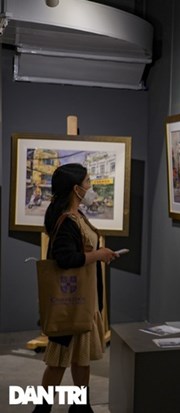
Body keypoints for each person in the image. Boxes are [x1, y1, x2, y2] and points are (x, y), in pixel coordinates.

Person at [33, 164, 118, 413]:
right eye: (88, 181)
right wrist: (98, 255)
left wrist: (97, 254)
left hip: (82, 299)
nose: (91, 186)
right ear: (76, 189)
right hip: (69, 302)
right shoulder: (67, 221)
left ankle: (81, 407)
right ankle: (42, 408)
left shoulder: (76, 215)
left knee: (81, 358)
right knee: (58, 361)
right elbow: (65, 259)